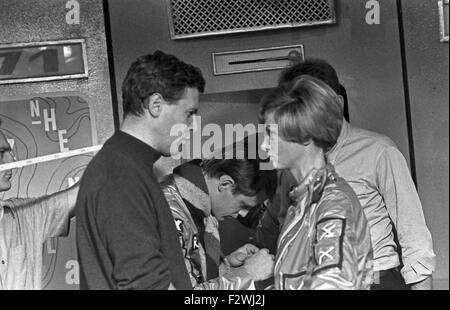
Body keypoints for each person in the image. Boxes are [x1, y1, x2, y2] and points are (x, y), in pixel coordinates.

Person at [252, 58, 436, 289]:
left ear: (336, 104)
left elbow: (413, 233)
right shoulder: (292, 165)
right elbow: (272, 227)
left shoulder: (378, 151)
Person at [75, 51, 205, 290]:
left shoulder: (127, 165)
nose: (193, 126)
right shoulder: (120, 174)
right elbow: (146, 285)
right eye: (189, 114)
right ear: (156, 105)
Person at [259, 75, 373, 290]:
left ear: (304, 135)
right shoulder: (303, 200)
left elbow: (333, 283)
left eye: (270, 134)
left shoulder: (333, 203)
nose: (264, 146)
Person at [160, 145, 276, 290]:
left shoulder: (199, 208)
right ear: (225, 183)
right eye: (243, 205)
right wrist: (247, 274)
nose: (243, 214)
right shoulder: (170, 213)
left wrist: (225, 266)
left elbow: (193, 276)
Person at [0, 124, 78, 290]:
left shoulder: (24, 214)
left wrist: (112, 156)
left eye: (9, 152)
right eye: (1, 154)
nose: (12, 161)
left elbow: (79, 194)